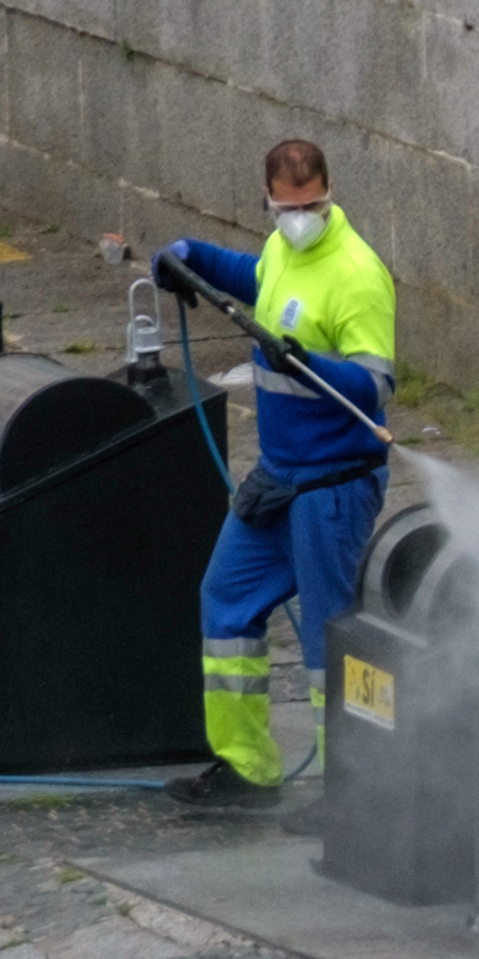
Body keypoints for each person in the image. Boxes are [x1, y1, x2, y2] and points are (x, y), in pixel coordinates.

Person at [152, 139, 395, 812]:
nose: (299, 219)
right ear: (268, 201)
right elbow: (258, 276)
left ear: (329, 193)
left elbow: (375, 386)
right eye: (287, 209)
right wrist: (190, 256)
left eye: (311, 206)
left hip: (334, 485)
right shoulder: (282, 248)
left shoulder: (357, 274)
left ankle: (353, 793)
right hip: (280, 475)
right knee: (226, 600)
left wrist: (308, 365)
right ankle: (247, 768)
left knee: (329, 638)